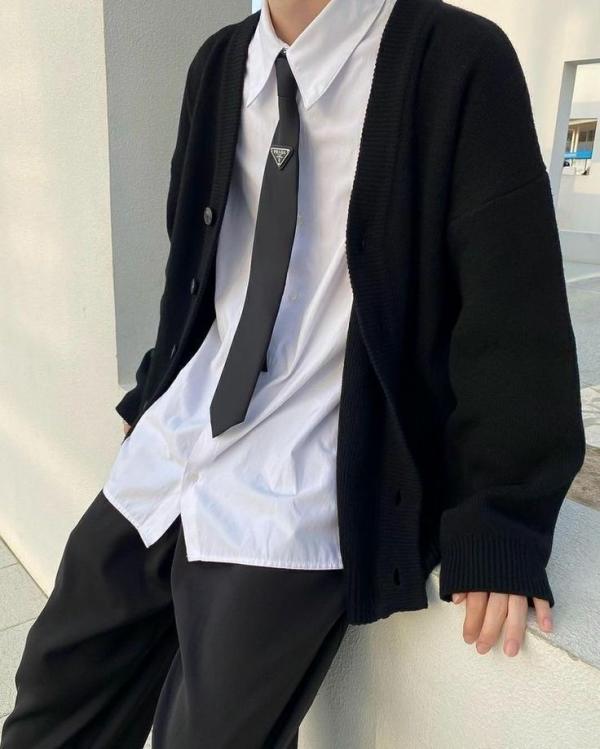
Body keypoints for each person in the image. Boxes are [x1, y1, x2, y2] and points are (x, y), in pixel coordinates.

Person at [1, 0, 586, 747]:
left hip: (309, 471)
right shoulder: (220, 65)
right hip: (183, 436)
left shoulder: (457, 58)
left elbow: (514, 309)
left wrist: (501, 518)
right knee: (53, 685)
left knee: (208, 733)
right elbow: (199, 265)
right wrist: (154, 387)